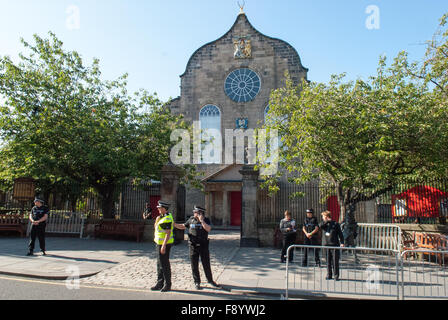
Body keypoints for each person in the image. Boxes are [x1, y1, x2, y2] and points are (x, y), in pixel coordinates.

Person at [174, 206, 220, 290]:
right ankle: (197, 282)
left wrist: (201, 220)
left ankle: (210, 280)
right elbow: (183, 226)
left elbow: (208, 229)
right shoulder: (191, 219)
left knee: (206, 264)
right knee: (194, 265)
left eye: (195, 212)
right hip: (193, 246)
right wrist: (174, 224)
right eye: (194, 211)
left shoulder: (206, 220)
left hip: (203, 245)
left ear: (200, 213)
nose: (193, 213)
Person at [151, 200, 174, 292]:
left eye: (160, 208)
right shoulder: (161, 217)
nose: (158, 209)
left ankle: (167, 284)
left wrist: (163, 246)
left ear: (164, 209)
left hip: (164, 244)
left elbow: (168, 234)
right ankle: (159, 283)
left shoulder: (167, 218)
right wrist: (157, 220)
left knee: (164, 264)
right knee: (159, 264)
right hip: (158, 243)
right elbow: (156, 228)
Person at [319, 211, 344, 281]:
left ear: (327, 216)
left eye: (323, 217)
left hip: (334, 245)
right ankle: (329, 274)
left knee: (335, 261)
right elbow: (320, 226)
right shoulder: (323, 224)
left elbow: (340, 234)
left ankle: (336, 275)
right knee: (328, 261)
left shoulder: (335, 224)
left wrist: (342, 242)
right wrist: (326, 221)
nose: (323, 218)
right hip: (326, 245)